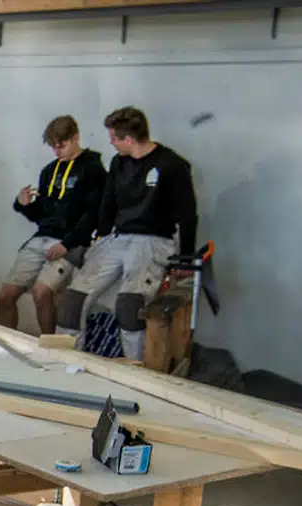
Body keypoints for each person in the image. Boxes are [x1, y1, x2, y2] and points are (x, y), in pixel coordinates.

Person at [58, 106, 198, 359]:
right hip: (118, 238)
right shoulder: (118, 163)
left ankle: (136, 373)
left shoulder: (172, 165)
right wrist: (97, 241)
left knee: (129, 307)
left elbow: (188, 213)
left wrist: (186, 257)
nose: (111, 143)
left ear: (129, 139)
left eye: (114, 138)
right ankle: (67, 365)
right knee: (72, 302)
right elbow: (107, 206)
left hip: (154, 240)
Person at [0, 115, 106, 333]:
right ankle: (7, 343)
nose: (57, 152)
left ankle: (48, 346)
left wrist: (67, 243)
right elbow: (42, 214)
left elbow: (94, 215)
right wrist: (24, 204)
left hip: (71, 242)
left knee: (42, 292)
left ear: (76, 137)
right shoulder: (49, 171)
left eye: (62, 146)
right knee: (6, 295)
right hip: (42, 237)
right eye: (53, 148)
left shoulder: (93, 170)